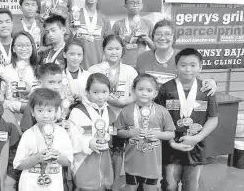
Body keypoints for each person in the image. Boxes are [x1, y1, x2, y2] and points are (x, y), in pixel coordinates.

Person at [155, 48, 219, 191]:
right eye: (183, 65)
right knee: (169, 185)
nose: (188, 69)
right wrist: (171, 141)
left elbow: (213, 119)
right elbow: (158, 120)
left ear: (200, 67)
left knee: (191, 186)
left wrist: (197, 138)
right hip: (171, 148)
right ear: (176, 67)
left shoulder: (207, 90)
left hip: (196, 149)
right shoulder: (166, 89)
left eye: (193, 65)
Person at [88, 35, 138, 190]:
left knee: (117, 150)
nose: (113, 52)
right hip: (98, 118)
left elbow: (137, 94)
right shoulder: (94, 70)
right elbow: (88, 93)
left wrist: (123, 102)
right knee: (99, 149)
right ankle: (97, 182)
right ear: (103, 49)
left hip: (120, 118)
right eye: (110, 48)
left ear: (122, 50)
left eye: (117, 48)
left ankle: (113, 183)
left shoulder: (130, 71)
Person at [116, 74, 175, 191]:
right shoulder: (126, 110)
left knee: (150, 188)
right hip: (132, 161)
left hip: (152, 163)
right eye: (140, 89)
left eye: (149, 90)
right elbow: (119, 132)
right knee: (131, 187)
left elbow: (171, 134)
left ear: (155, 93)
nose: (144, 93)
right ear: (133, 91)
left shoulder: (162, 111)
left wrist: (158, 135)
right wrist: (130, 133)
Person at [14, 88, 73, 191]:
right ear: (32, 112)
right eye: (40, 110)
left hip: (54, 185)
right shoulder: (28, 134)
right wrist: (37, 158)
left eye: (50, 110)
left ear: (56, 111)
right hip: (30, 186)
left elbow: (68, 161)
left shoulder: (62, 133)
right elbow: (18, 164)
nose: (45, 115)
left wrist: (57, 157)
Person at [136, 19, 217, 94]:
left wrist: (211, 82)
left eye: (167, 34)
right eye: (158, 34)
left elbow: (196, 81)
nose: (162, 38)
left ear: (174, 37)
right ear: (153, 37)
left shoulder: (185, 57)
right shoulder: (142, 58)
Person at [68, 73, 115, 191]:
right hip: (84, 160)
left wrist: (110, 139)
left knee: (104, 186)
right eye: (96, 92)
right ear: (87, 92)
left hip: (105, 158)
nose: (100, 97)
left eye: (105, 92)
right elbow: (71, 136)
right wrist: (88, 143)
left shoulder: (110, 111)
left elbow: (113, 132)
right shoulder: (77, 111)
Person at [71, 0, 111, 69]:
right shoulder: (73, 15)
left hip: (98, 66)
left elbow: (109, 44)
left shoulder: (104, 19)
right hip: (77, 66)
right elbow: (66, 40)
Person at [0, 31, 38, 116]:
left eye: (27, 45)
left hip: (34, 119)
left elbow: (44, 99)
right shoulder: (5, 71)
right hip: (10, 119)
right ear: (13, 49)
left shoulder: (39, 71)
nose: (24, 48)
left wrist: (29, 93)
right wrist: (19, 107)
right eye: (19, 45)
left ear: (32, 47)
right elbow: (0, 100)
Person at [111, 0, 154, 67]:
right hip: (122, 64)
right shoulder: (118, 24)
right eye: (131, 3)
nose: (135, 5)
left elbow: (154, 47)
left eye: (138, 3)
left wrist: (147, 39)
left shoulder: (148, 24)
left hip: (142, 64)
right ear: (125, 6)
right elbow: (111, 45)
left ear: (142, 6)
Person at [20, 63, 65, 133]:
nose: (56, 86)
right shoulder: (34, 103)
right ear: (40, 83)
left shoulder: (61, 102)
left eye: (59, 82)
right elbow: (25, 130)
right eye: (51, 82)